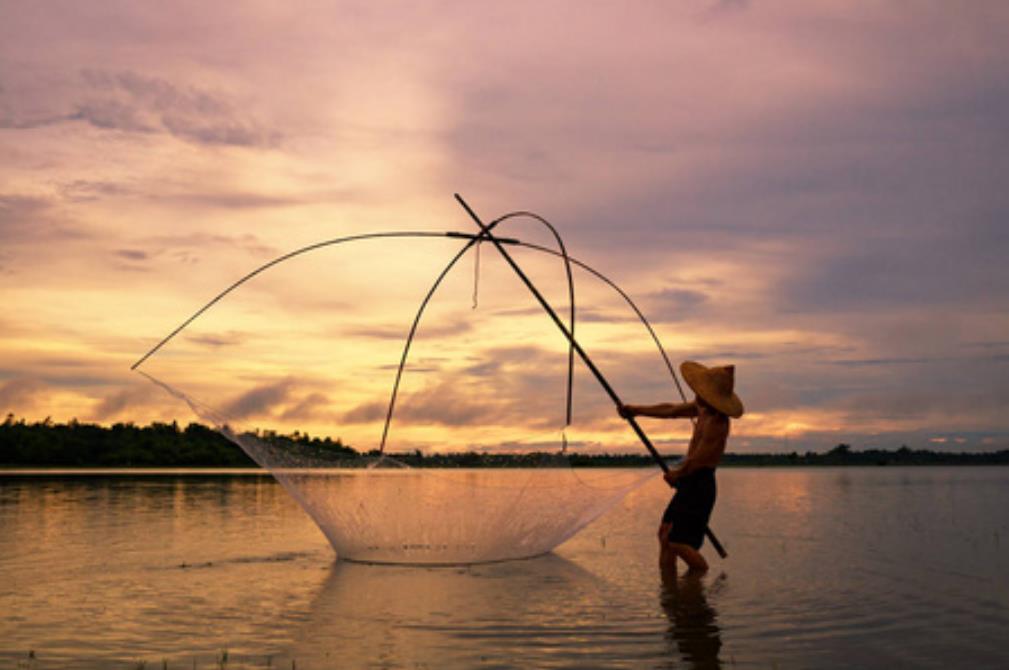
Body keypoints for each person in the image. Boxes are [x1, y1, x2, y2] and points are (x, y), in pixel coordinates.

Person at [619, 361, 743, 574]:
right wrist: (636, 410)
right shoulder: (701, 408)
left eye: (701, 391)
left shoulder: (718, 423)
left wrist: (679, 474)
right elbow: (671, 410)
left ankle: (699, 585)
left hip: (701, 484)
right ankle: (670, 595)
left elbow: (700, 459)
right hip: (690, 480)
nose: (696, 393)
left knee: (679, 543)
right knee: (665, 534)